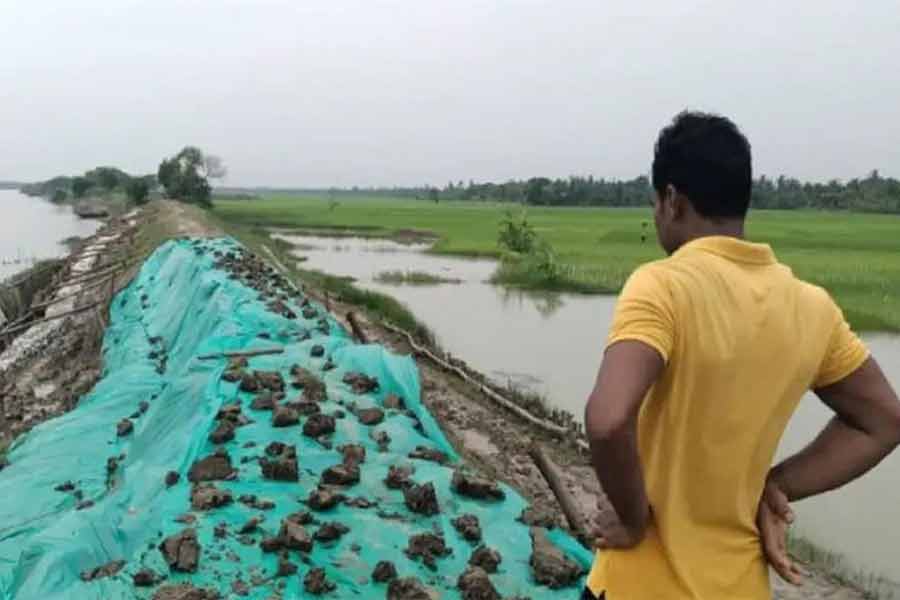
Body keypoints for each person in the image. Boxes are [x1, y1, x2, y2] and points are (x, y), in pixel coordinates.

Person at [582, 111, 900, 599]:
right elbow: (883, 419)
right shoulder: (811, 307)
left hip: (638, 587)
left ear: (672, 200)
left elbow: (607, 419)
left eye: (655, 204)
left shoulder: (663, 286)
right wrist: (778, 486)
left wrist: (632, 518)